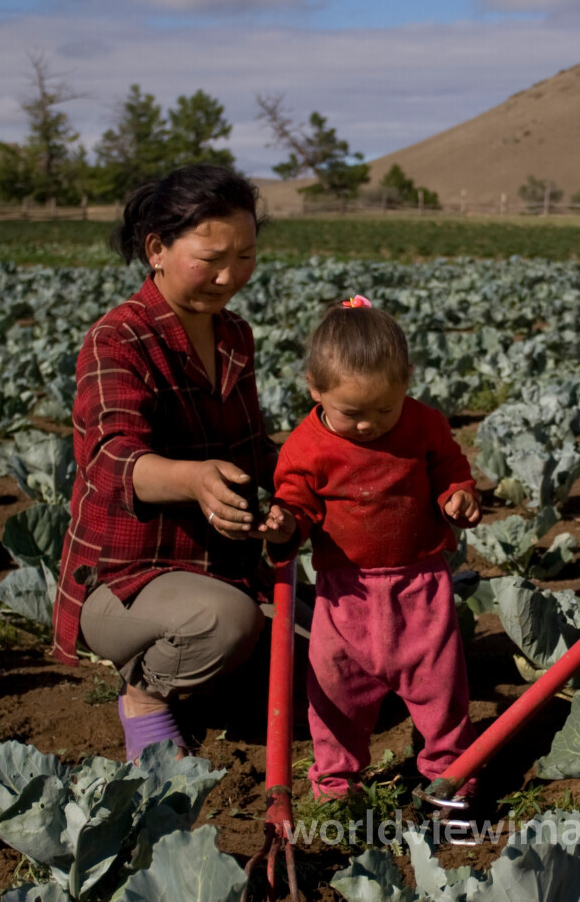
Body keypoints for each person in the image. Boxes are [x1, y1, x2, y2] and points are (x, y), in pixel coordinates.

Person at [53, 164, 298, 763]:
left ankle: (206, 677)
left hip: (223, 566)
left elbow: (253, 449)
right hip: (128, 580)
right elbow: (111, 459)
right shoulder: (117, 338)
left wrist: (312, 475)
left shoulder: (234, 334)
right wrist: (193, 478)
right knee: (226, 623)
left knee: (333, 650)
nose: (229, 276)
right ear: (156, 250)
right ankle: (144, 695)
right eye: (211, 258)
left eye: (245, 257)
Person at [272, 297, 482, 800]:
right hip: (344, 593)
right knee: (336, 690)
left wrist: (458, 495)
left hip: (421, 582)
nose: (368, 424)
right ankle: (335, 780)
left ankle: (449, 771)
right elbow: (296, 501)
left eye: (385, 409)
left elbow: (450, 468)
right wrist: (284, 523)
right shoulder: (305, 447)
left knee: (440, 685)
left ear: (407, 380)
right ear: (315, 388)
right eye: (352, 413)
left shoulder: (425, 424)